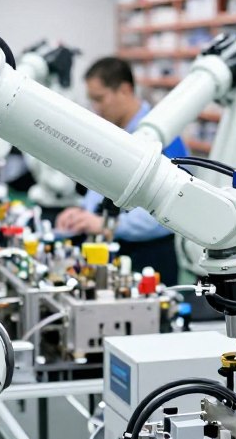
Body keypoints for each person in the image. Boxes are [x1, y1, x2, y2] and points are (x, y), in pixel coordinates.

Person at [55, 56, 187, 284]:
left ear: (125, 90)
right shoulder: (112, 131)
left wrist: (108, 225)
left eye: (100, 99)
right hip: (112, 249)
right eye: (92, 101)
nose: (96, 109)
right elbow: (100, 185)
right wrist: (81, 214)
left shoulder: (165, 137)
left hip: (150, 256)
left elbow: (171, 212)